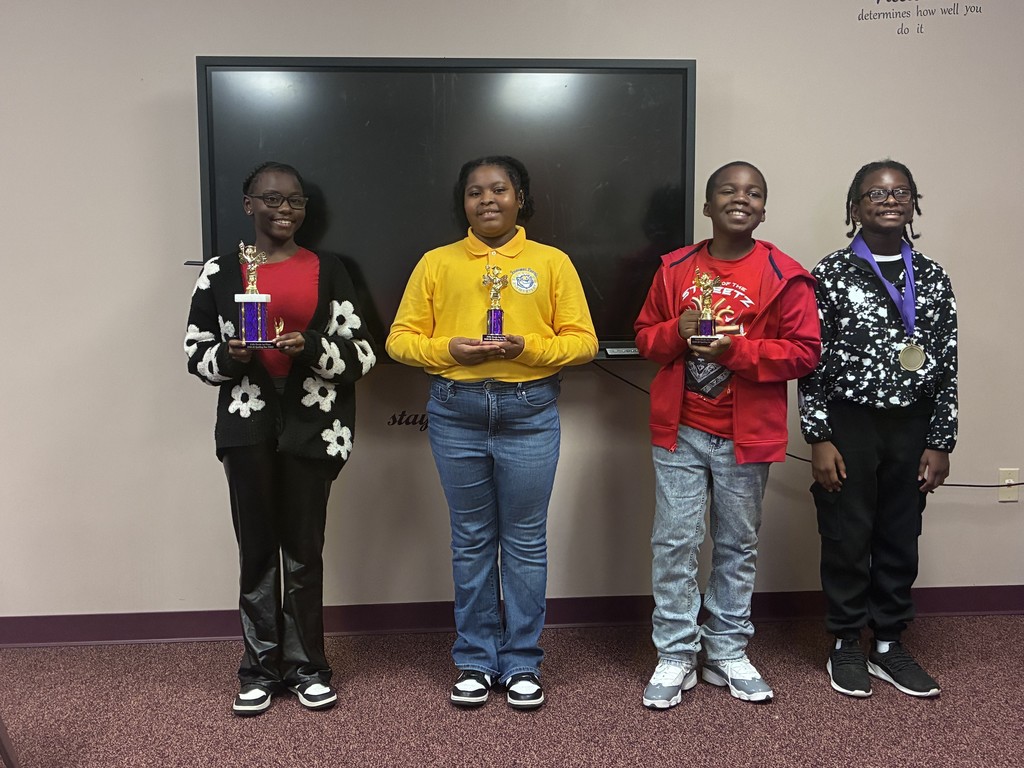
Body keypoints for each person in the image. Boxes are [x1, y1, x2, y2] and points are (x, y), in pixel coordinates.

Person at [386, 155, 597, 710]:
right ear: (463, 203)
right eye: (475, 192)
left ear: (520, 197)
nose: (487, 200)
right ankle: (476, 659)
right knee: (472, 540)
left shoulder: (551, 263)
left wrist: (529, 347)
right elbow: (399, 340)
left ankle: (524, 660)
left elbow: (583, 342)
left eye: (499, 189)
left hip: (529, 410)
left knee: (526, 542)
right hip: (455, 411)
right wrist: (446, 349)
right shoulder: (436, 263)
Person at [184, 161, 376, 716]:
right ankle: (259, 669)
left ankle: (309, 666)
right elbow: (196, 352)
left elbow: (361, 354)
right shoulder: (220, 272)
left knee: (304, 550)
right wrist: (230, 355)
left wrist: (310, 347)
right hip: (246, 425)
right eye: (271, 199)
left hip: (312, 427)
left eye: (294, 200)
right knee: (256, 549)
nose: (284, 209)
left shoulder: (330, 269)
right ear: (248, 205)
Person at [634, 161, 821, 709]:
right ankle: (675, 652)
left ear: (764, 208)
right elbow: (646, 338)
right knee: (674, 542)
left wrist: (736, 351)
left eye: (754, 193)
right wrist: (677, 331)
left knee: (737, 545)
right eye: (728, 191)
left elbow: (804, 353)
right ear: (707, 206)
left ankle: (727, 650)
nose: (742, 199)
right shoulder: (674, 269)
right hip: (681, 430)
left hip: (747, 435)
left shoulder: (786, 274)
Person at [799, 160, 957, 699]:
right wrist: (819, 435)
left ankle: (888, 642)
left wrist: (940, 440)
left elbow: (946, 364)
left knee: (899, 532)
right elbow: (811, 361)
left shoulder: (932, 276)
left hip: (912, 424)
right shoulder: (829, 274)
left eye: (901, 192)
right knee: (846, 531)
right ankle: (845, 639)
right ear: (854, 207)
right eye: (875, 193)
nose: (889, 200)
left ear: (914, 204)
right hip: (849, 422)